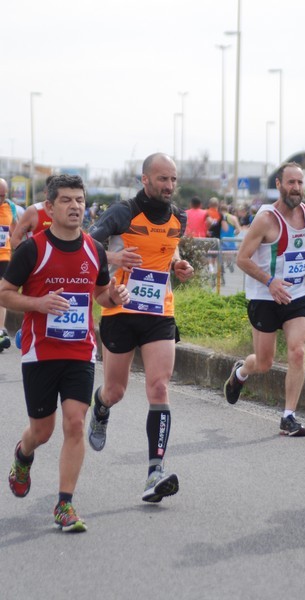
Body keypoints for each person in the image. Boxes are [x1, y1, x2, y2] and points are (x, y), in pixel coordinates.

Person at [0, 174, 130, 532]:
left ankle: (64, 505)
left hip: (80, 350)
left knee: (75, 423)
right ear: (50, 206)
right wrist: (38, 303)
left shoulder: (94, 249)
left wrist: (113, 298)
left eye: (80, 200)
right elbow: (5, 292)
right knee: (42, 431)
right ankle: (23, 455)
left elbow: (102, 294)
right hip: (40, 352)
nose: (75, 207)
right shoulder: (33, 249)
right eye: (67, 200)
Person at [87, 152, 194, 503]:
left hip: (159, 312)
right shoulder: (123, 212)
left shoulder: (179, 217)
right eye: (162, 179)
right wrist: (115, 258)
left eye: (173, 179)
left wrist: (178, 263)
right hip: (120, 309)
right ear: (144, 180)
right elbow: (87, 246)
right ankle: (101, 408)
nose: (169, 186)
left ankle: (154, 473)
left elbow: (170, 246)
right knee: (115, 391)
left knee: (159, 387)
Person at [223, 162, 305, 436]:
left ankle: (288, 416)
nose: (296, 188)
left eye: (300, 183)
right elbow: (242, 259)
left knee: (298, 351)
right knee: (265, 363)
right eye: (291, 182)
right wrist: (269, 281)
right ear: (278, 185)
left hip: (297, 294)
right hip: (265, 297)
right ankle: (241, 371)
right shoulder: (266, 219)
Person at [10, 177, 53, 249]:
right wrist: (29, 256)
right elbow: (15, 240)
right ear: (46, 191)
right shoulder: (33, 211)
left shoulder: (66, 213)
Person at [0, 178, 17, 352]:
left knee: (1, 293)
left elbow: (15, 228)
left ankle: (0, 330)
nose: (1, 199)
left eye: (3, 196)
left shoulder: (9, 206)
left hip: (4, 256)